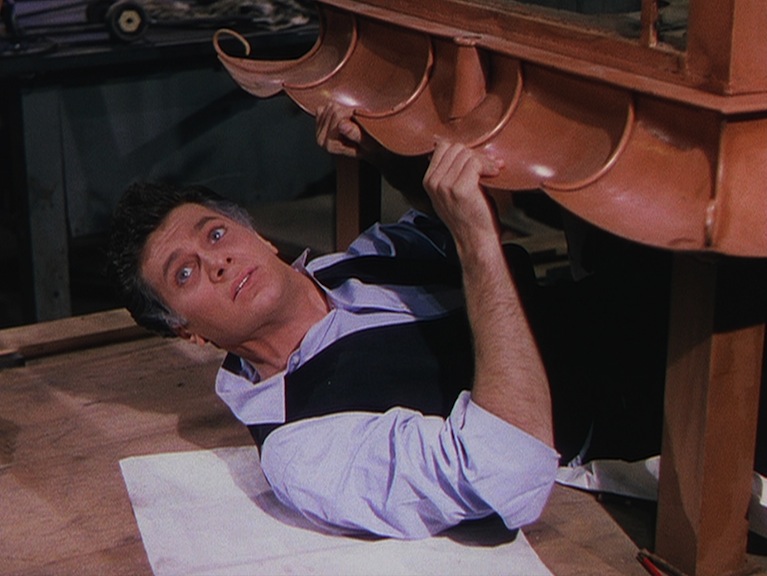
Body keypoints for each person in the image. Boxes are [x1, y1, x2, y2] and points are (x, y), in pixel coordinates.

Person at [107, 104, 559, 539]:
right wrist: (478, 245)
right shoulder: (302, 447)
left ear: (261, 237)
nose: (216, 262)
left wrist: (384, 157)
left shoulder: (351, 264)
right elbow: (507, 472)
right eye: (184, 273)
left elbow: (458, 220)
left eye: (216, 233)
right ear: (187, 331)